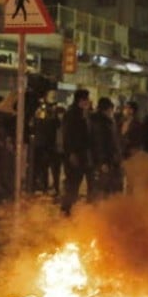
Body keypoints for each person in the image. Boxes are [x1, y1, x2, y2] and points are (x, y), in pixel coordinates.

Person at [60, 88, 92, 216]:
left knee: (75, 183)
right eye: (86, 99)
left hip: (81, 154)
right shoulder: (72, 114)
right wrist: (72, 153)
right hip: (74, 155)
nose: (88, 102)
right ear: (81, 100)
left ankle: (69, 209)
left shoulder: (82, 113)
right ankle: (66, 210)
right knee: (72, 183)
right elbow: (68, 135)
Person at [89, 96, 123, 200]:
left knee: (105, 187)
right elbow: (100, 143)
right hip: (105, 161)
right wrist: (103, 161)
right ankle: (102, 211)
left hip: (106, 160)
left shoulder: (102, 121)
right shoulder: (101, 122)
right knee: (104, 188)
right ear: (108, 109)